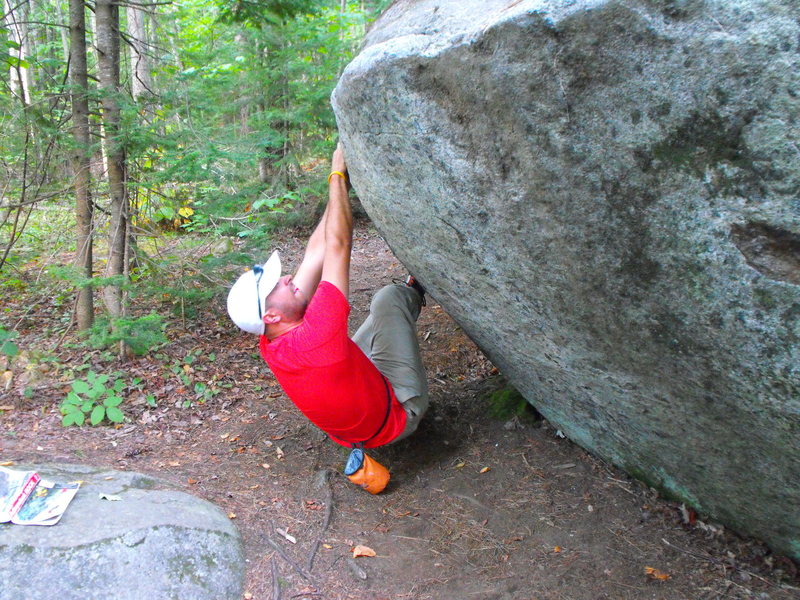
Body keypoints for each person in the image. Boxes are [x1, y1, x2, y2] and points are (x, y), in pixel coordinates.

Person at [227, 144, 429, 454]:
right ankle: (415, 291)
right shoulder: (315, 340)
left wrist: (341, 184)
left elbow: (315, 250)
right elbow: (338, 243)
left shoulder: (271, 338)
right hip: (397, 417)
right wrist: (336, 172)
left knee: (374, 319)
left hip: (357, 418)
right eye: (275, 285)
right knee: (388, 300)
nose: (285, 278)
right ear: (271, 316)